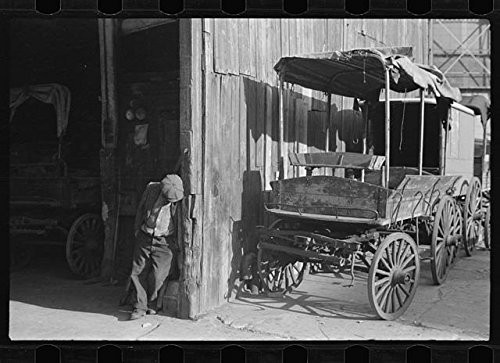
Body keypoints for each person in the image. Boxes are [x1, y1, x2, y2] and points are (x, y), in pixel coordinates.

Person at [128, 174, 184, 320]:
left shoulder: (180, 198)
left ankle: (152, 303)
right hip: (145, 236)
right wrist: (137, 229)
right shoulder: (152, 189)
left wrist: (177, 244)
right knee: (138, 271)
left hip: (164, 241)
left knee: (159, 275)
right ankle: (139, 307)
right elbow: (141, 209)